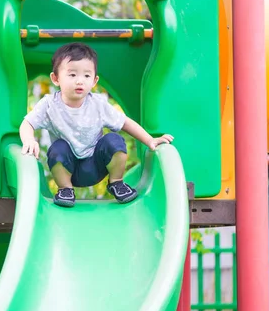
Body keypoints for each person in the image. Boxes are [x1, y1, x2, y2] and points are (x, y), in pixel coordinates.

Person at [20, 42, 174, 207]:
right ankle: (65, 189)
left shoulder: (98, 104)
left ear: (94, 81)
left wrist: (150, 141)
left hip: (96, 165)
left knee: (114, 141)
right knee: (58, 148)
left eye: (86, 76)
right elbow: (27, 123)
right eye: (72, 75)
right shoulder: (49, 104)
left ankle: (116, 183)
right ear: (55, 78)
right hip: (68, 168)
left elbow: (125, 123)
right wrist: (29, 140)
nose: (80, 81)